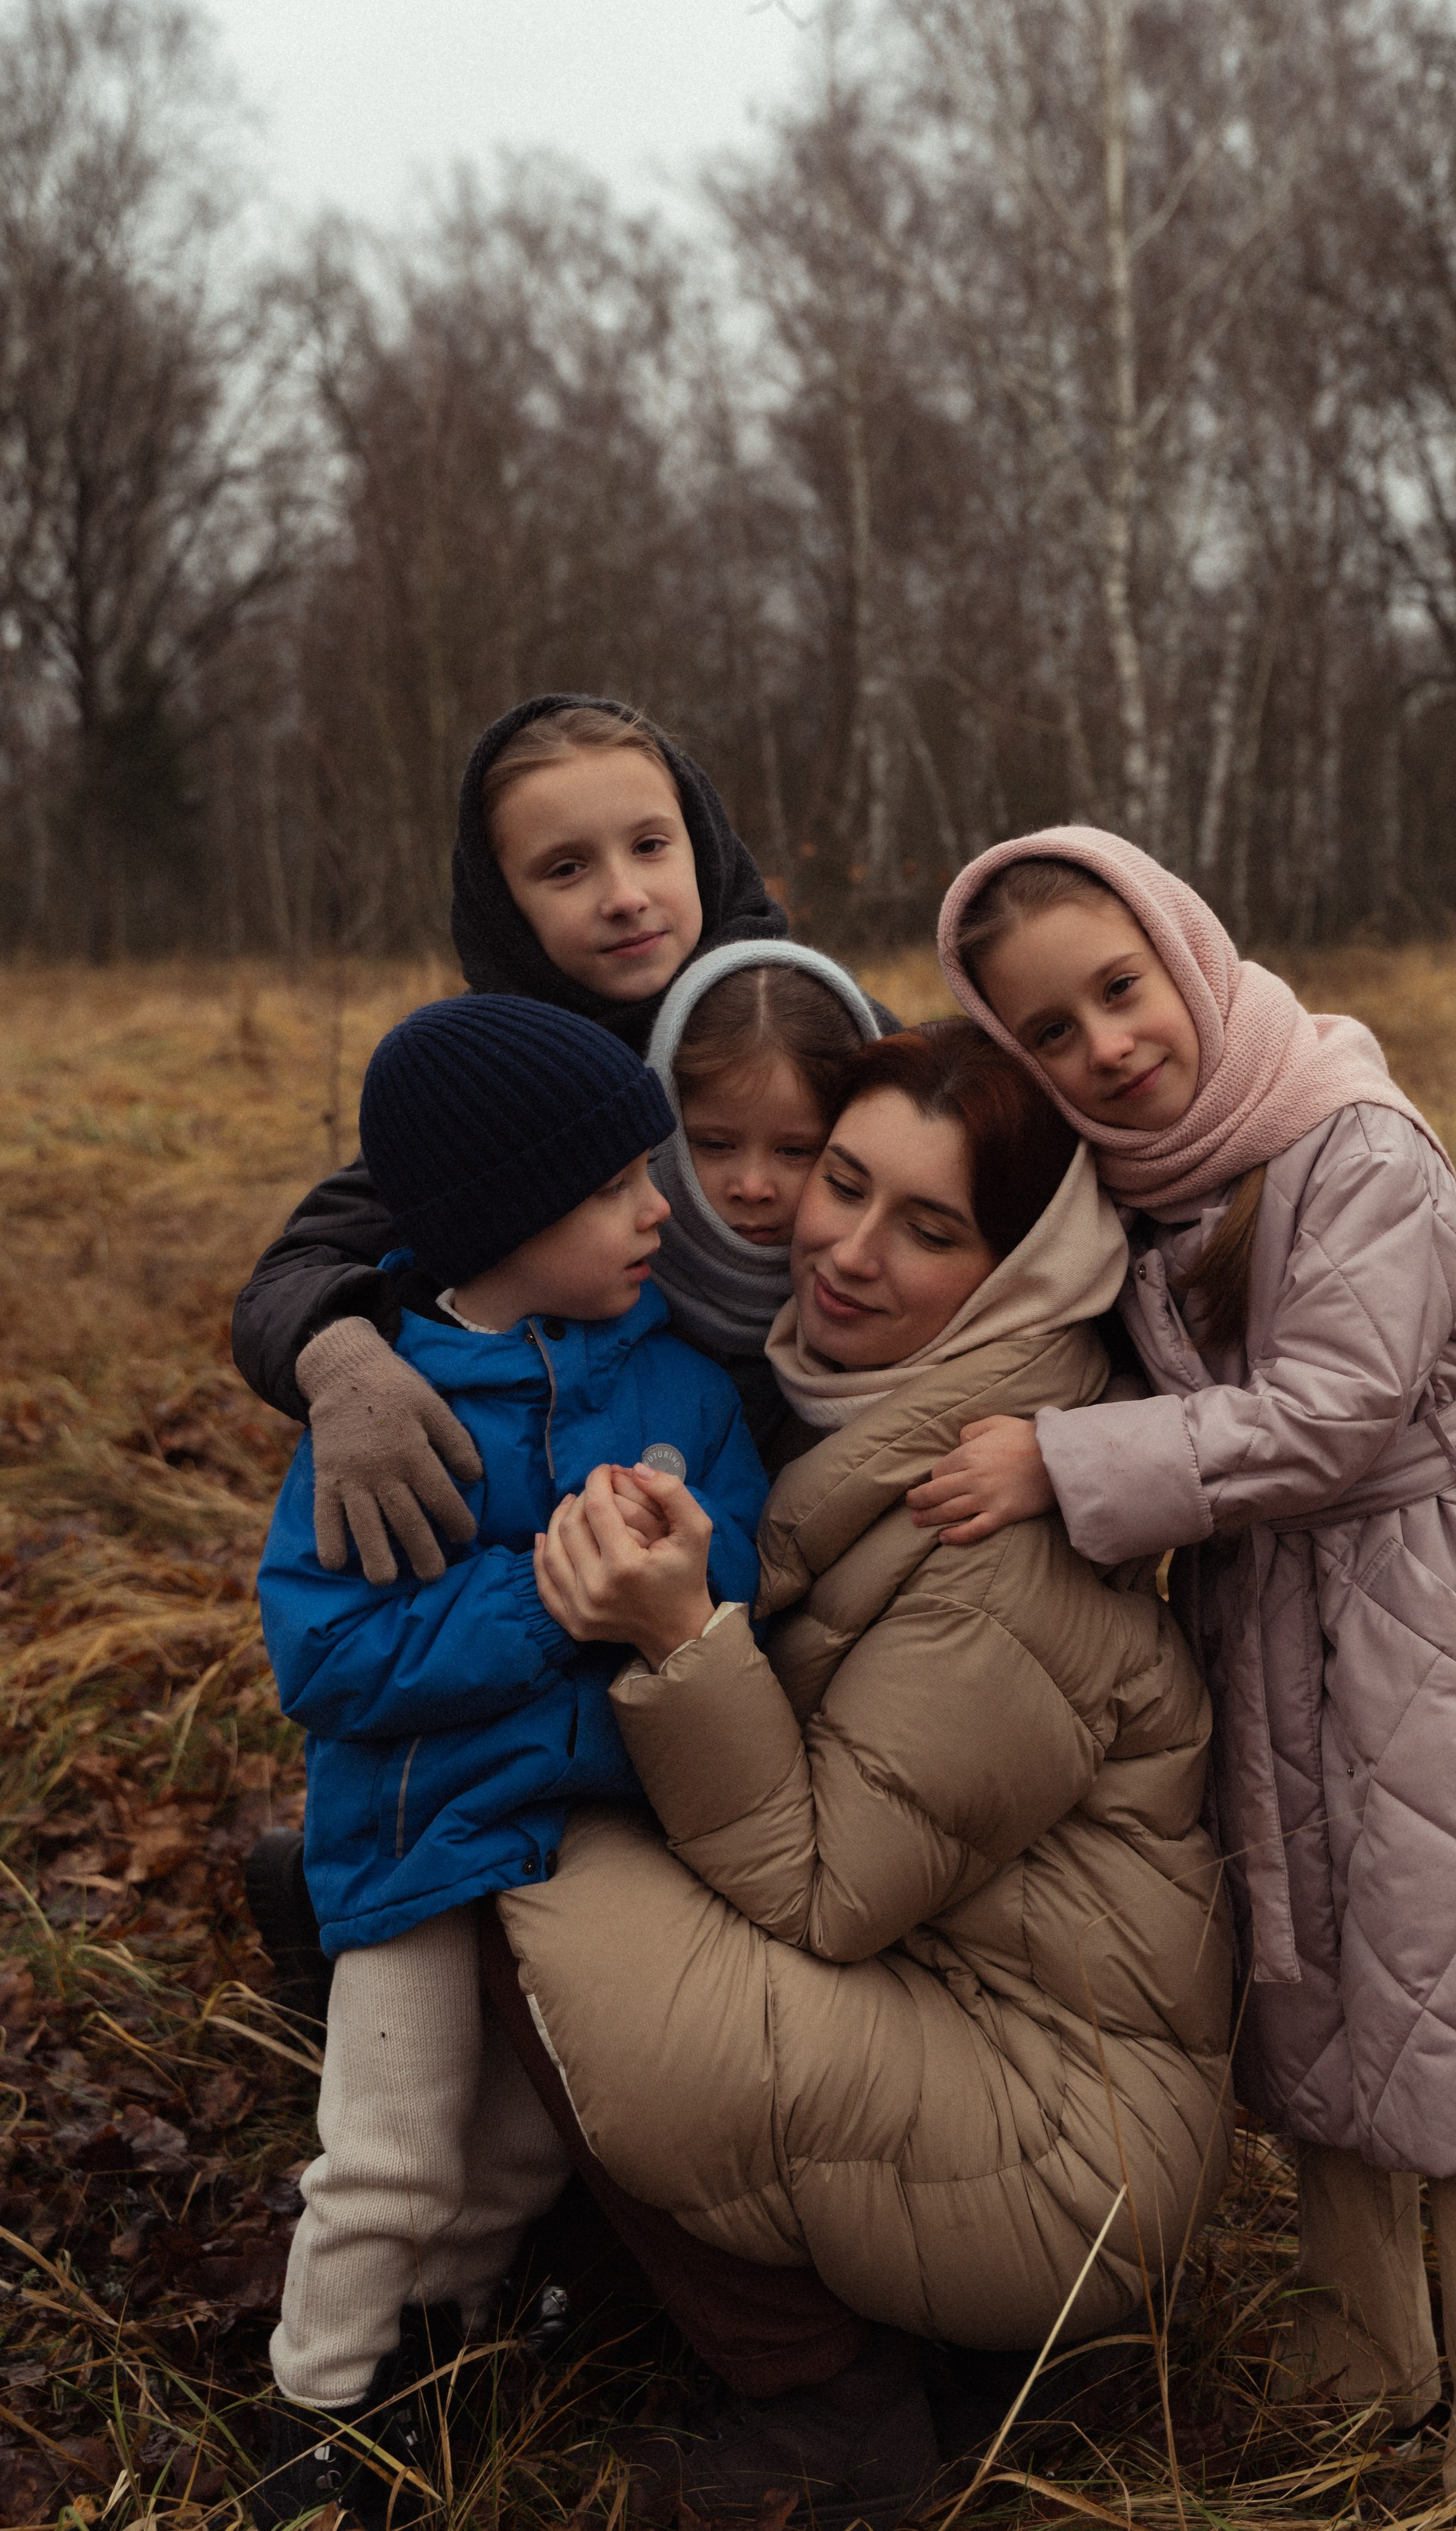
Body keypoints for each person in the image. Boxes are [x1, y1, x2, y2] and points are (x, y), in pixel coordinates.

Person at [927, 831, 1456, 2526]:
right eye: (1047, 1034)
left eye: (1118, 989)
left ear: (1187, 955)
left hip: (1435, 1610)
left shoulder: (1344, 1135)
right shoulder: (1142, 1181)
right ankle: (1363, 2348)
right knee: (1315, 1980)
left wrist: (1065, 1463)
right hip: (1264, 1615)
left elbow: (1335, 1407)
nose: (1103, 1047)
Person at [489, 1022, 1235, 2531]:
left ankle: (830, 2407)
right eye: (842, 1181)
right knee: (462, 1843)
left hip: (1058, 2144)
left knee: (505, 1868)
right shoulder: (865, 1416)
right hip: (947, 2025)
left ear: (1019, 1271)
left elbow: (827, 1890)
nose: (842, 1246)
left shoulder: (1006, 1531)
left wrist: (678, 1632)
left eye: (929, 1226)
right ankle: (626, 2269)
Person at [250, 993, 768, 2531]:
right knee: (390, 2146)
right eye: (611, 1186)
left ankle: (447, 2348)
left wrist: (683, 1563)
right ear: (499, 1215)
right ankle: (320, 2408)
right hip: (415, 1852)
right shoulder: (393, 1410)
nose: (655, 1208)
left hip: (590, 1848)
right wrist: (551, 1591)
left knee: (533, 2136)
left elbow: (739, 1552)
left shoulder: (672, 1378)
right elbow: (328, 1658)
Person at [230, 692, 850, 1584]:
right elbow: (293, 1270)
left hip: (830, 1472)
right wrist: (337, 1353)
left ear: (703, 842)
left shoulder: (813, 1021)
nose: (625, 896)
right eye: (564, 870)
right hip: (596, 1515)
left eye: (649, 845)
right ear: (503, 903)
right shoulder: (498, 1085)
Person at [646, 942, 883, 1460]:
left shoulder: (888, 1304)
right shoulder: (607, 1289)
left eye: (795, 1151)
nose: (752, 1187)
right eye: (715, 1144)